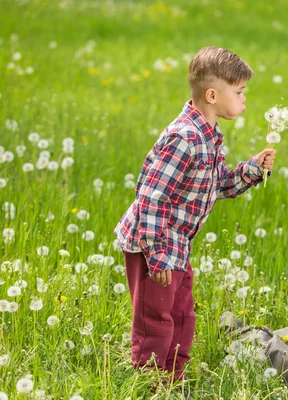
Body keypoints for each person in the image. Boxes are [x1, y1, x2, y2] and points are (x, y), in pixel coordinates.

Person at [114, 46, 276, 382]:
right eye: (240, 92)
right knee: (155, 319)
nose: (245, 99)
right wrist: (156, 255)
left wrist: (252, 169)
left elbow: (220, 186)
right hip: (154, 246)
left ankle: (175, 378)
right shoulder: (184, 138)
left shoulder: (210, 135)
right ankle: (151, 383)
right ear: (213, 94)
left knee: (183, 315)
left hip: (178, 245)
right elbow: (152, 198)